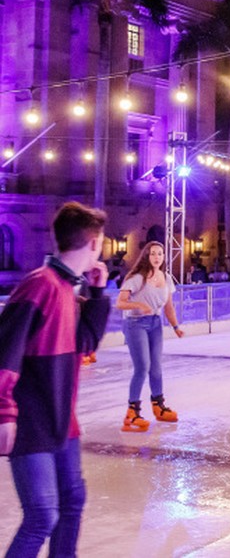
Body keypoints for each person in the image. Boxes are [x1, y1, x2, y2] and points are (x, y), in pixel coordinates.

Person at [0, 202, 110, 557]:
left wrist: (96, 294)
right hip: (33, 421)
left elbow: (86, 342)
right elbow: (5, 352)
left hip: (63, 422)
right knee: (41, 516)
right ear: (94, 243)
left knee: (72, 501)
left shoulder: (68, 289)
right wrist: (4, 412)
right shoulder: (39, 286)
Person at [115, 242, 185, 433]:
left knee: (156, 368)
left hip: (155, 323)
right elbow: (120, 303)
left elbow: (169, 307)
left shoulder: (166, 278)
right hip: (135, 324)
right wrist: (137, 305)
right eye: (153, 253)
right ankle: (132, 412)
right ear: (147, 256)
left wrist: (176, 326)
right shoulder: (138, 278)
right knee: (142, 367)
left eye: (160, 254)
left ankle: (159, 406)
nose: (157, 257)